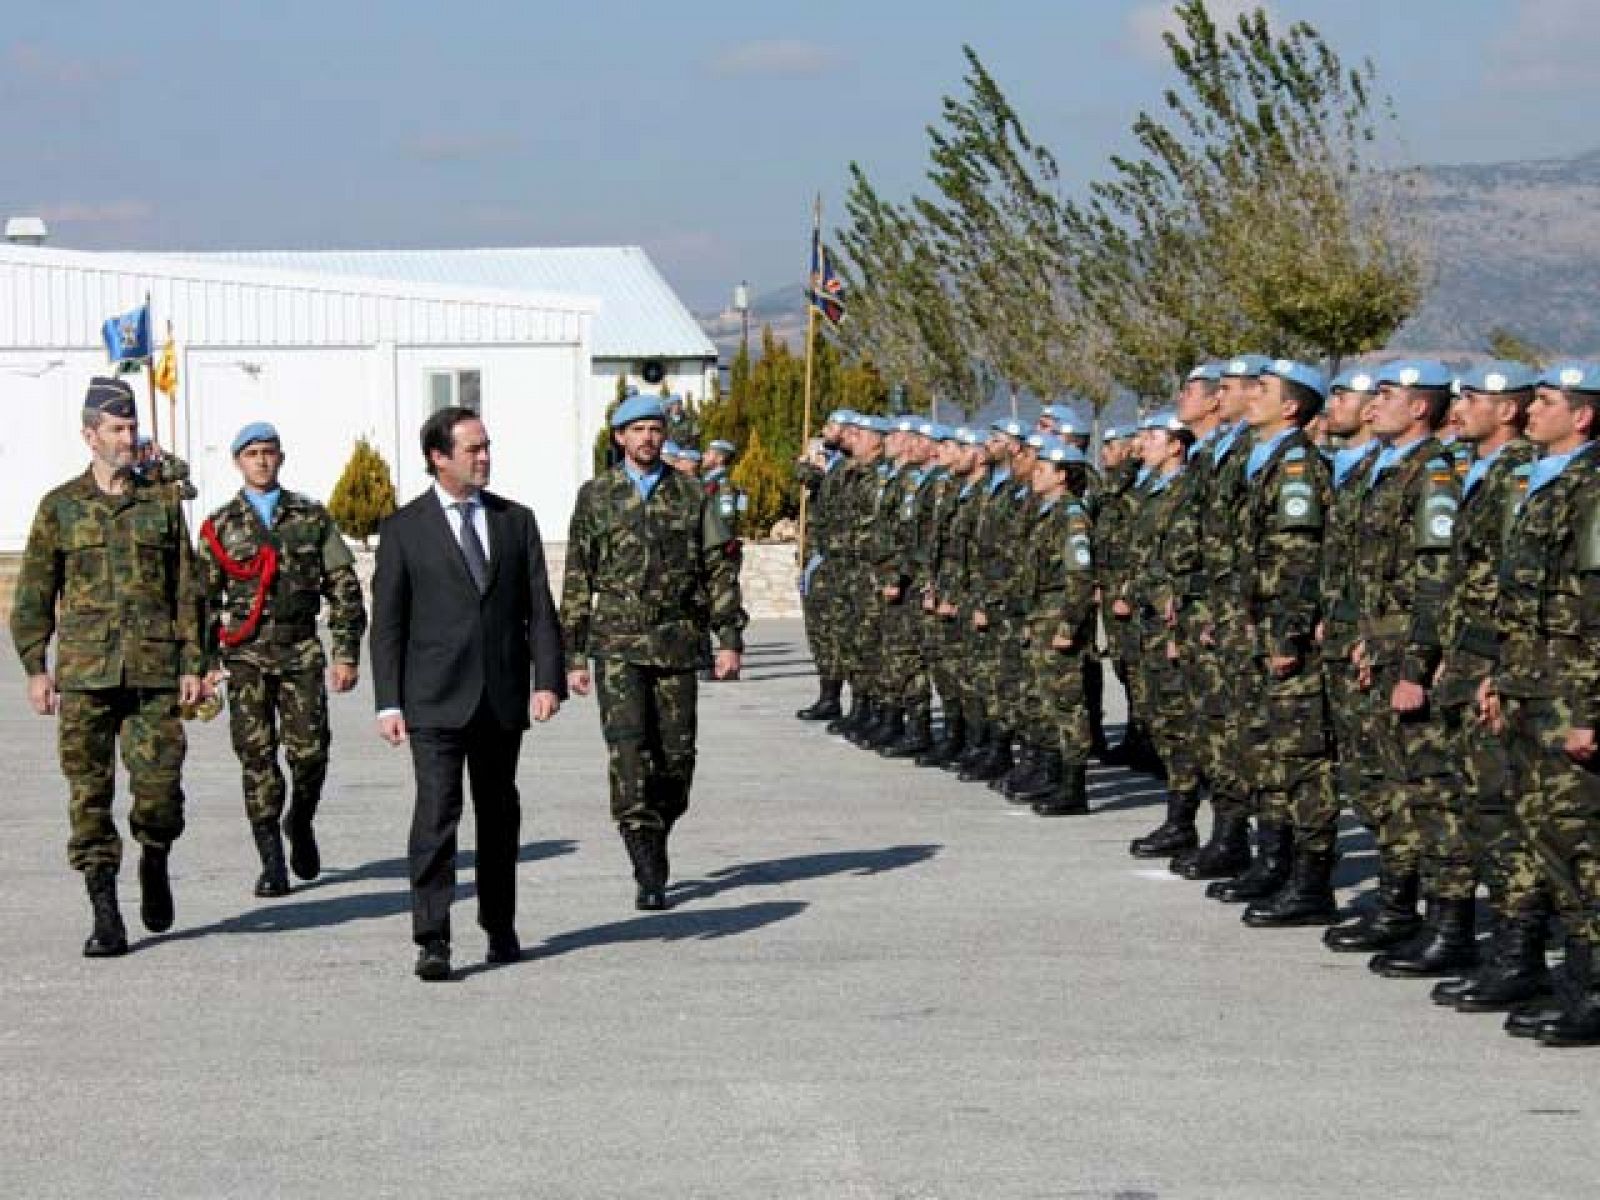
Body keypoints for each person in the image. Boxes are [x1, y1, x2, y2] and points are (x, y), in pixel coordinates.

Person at [10, 376, 206, 956]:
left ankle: (156, 857)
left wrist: (194, 662)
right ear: (89, 434)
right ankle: (105, 914)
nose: (128, 437)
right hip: (86, 675)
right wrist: (35, 667)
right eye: (117, 428)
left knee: (159, 793)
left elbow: (186, 590)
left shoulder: (161, 504)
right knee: (89, 794)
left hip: (152, 673)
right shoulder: (61, 507)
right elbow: (34, 592)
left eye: (131, 427)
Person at [370, 406, 566, 981]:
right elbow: (388, 623)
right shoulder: (404, 529)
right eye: (472, 448)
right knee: (436, 815)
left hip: (501, 698)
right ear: (439, 457)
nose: (484, 457)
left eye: (486, 446)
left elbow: (539, 609)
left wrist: (547, 679)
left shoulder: (515, 521)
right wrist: (389, 702)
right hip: (433, 699)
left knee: (499, 815)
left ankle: (499, 925)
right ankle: (432, 937)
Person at [561, 394, 747, 911]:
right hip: (617, 643)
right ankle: (643, 854)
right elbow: (579, 574)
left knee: (676, 758)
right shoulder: (596, 495)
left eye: (655, 428)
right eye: (637, 429)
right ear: (619, 437)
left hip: (677, 642)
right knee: (627, 749)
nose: (647, 438)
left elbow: (718, 569)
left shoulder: (692, 494)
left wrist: (728, 638)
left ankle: (659, 827)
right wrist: (572, 654)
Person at [1323, 360, 1461, 957]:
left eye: (1386, 395)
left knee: (1424, 791)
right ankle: (1399, 903)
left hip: (1406, 651)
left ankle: (1443, 921)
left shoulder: (1431, 476)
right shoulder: (1385, 470)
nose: (1372, 405)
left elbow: (1434, 581)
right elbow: (1366, 573)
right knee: (1379, 783)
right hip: (1375, 645)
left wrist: (1412, 666)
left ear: (1419, 408)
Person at [1481, 362, 1600, 1045]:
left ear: (1581, 416)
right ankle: (1572, 982)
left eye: (1547, 402)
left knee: (1582, 846)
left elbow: (1593, 610)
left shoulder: (1589, 488)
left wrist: (1589, 708)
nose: (1531, 412)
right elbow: (1520, 604)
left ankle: (1592, 991)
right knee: (1546, 839)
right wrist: (1499, 676)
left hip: (1568, 692)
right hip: (1531, 685)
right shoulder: (1538, 483)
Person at [196, 422, 367, 898]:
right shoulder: (220, 525)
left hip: (300, 651)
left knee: (310, 754)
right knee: (257, 758)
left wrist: (346, 652)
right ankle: (271, 860)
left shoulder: (310, 517)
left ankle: (301, 819)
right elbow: (202, 601)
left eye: (269, 452)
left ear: (282, 457)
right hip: (245, 655)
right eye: (252, 453)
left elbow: (343, 586)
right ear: (237, 461)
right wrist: (204, 663)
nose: (262, 460)